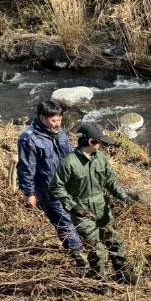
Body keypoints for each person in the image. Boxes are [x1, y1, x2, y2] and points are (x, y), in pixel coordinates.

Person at [49, 123, 139, 289]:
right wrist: (74, 207)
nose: (102, 145)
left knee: (114, 241)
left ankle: (124, 274)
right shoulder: (70, 163)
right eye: (100, 142)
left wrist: (124, 197)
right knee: (96, 250)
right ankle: (101, 283)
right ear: (90, 141)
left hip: (102, 208)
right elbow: (56, 187)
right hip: (82, 213)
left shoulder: (101, 159)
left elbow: (111, 182)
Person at [17, 100, 86, 270]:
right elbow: (26, 168)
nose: (57, 124)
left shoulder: (59, 132)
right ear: (42, 117)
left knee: (78, 217)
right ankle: (80, 258)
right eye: (54, 120)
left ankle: (84, 246)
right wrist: (29, 193)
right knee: (64, 222)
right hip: (48, 191)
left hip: (69, 186)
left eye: (59, 120)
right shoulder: (29, 140)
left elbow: (70, 155)